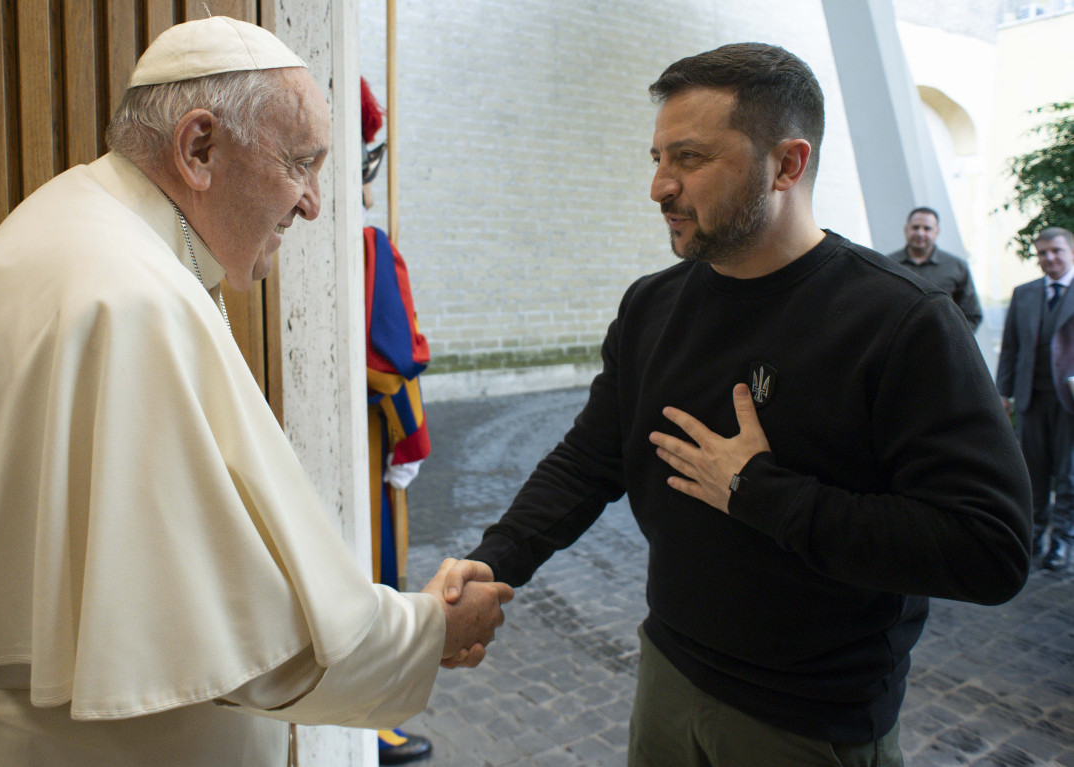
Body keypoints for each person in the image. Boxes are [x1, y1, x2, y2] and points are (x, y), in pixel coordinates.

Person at [0, 17, 513, 766]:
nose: (312, 205)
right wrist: (430, 631)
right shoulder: (131, 298)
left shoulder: (77, 218)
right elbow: (243, 638)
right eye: (302, 164)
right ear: (198, 148)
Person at [441, 43, 1030, 766]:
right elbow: (588, 460)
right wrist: (493, 561)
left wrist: (760, 491)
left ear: (786, 164)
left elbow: (991, 549)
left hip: (812, 717)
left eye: (689, 159)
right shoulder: (653, 305)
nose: (659, 187)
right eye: (656, 157)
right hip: (667, 671)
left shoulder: (901, 322)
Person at [361, 75, 435, 765]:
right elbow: (393, 357)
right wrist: (412, 436)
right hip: (367, 435)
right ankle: (378, 721)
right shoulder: (368, 245)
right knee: (379, 567)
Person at [997, 227, 1074, 571]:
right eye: (1042, 253)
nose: (1049, 259)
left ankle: (1061, 540)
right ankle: (1032, 534)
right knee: (1032, 472)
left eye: (1056, 251)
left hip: (1069, 401)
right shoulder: (1024, 293)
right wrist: (1003, 392)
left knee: (1068, 473)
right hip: (1031, 397)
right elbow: (1011, 348)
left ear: (1070, 251)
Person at [886, 206, 983, 331]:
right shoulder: (888, 264)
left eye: (927, 228)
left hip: (941, 347)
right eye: (915, 227)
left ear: (937, 232)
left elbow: (972, 315)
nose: (920, 233)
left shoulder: (957, 267)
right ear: (906, 229)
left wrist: (951, 340)